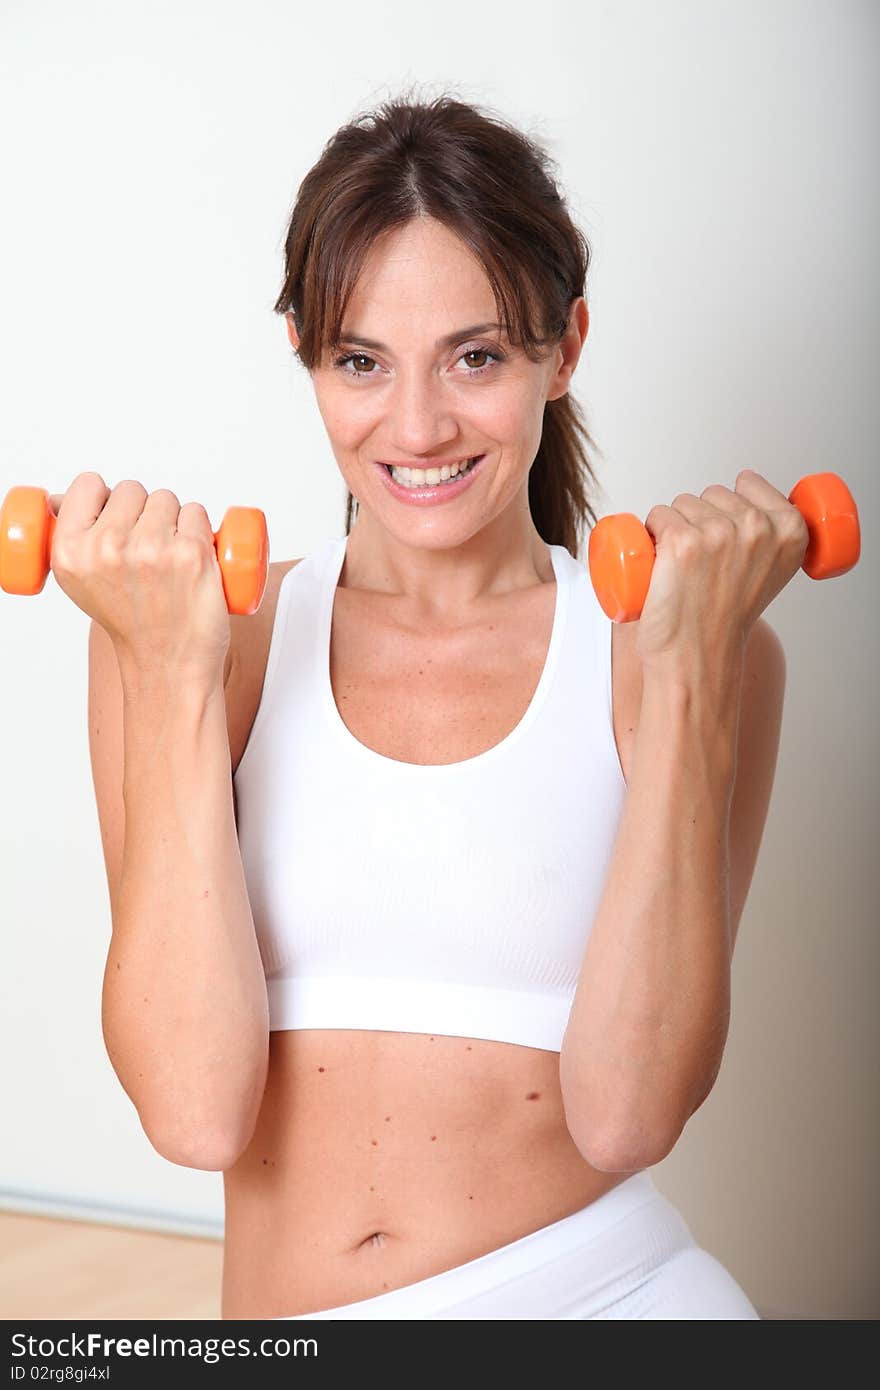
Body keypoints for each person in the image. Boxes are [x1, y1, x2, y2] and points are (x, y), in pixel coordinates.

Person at [80, 91, 802, 1320]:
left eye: (475, 357)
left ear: (562, 349)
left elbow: (630, 1113)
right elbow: (194, 1111)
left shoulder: (672, 654)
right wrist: (168, 673)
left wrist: (689, 669)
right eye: (361, 360)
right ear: (306, 353)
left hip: (615, 1300)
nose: (415, 427)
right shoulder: (196, 642)